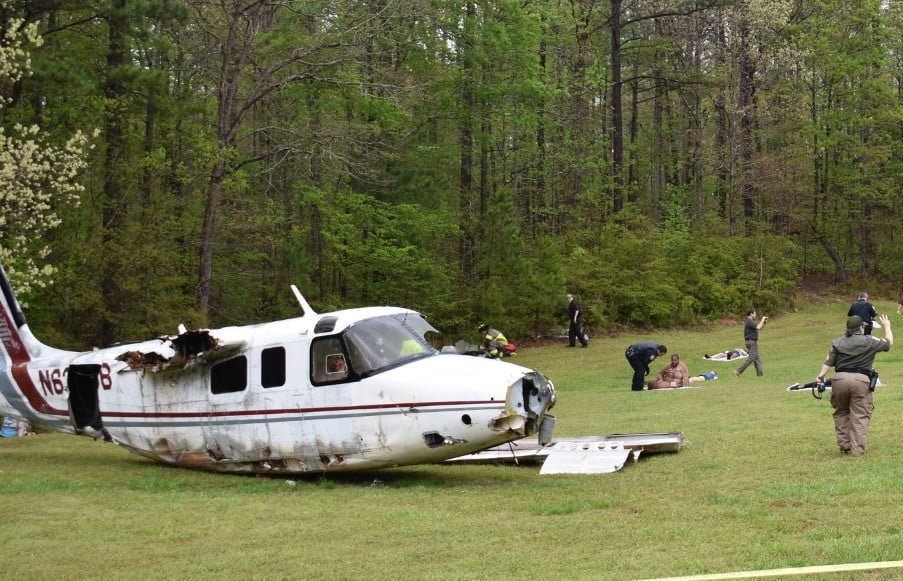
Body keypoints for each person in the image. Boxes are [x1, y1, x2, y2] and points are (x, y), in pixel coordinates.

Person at [814, 314, 892, 456]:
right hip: (861, 380)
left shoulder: (837, 342)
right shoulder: (869, 340)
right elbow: (888, 343)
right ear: (861, 328)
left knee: (841, 412)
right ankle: (857, 450)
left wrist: (820, 377)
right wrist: (887, 326)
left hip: (839, 380)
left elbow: (828, 363)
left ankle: (845, 445)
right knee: (860, 415)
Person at [647, 354, 716, 389]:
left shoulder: (682, 366)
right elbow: (660, 373)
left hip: (680, 382)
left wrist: (685, 386)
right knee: (651, 382)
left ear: (678, 360)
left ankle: (711, 374)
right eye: (672, 360)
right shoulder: (668, 366)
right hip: (668, 382)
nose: (674, 362)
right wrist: (660, 379)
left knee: (695, 379)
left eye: (675, 360)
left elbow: (685, 377)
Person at [734, 309, 767, 377]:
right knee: (752, 358)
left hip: (752, 342)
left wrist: (764, 322)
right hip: (751, 342)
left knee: (757, 360)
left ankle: (760, 375)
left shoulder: (750, 322)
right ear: (751, 314)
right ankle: (738, 371)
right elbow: (758, 327)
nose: (755, 315)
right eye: (754, 314)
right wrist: (762, 319)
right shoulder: (749, 321)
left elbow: (759, 328)